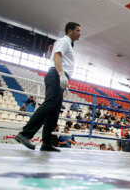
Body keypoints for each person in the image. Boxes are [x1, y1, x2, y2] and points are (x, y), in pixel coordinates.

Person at [14, 22, 81, 152]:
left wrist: (64, 80)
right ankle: (25, 134)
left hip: (60, 77)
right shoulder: (64, 41)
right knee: (49, 105)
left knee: (54, 111)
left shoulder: (68, 44)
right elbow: (56, 56)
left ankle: (46, 143)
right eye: (77, 30)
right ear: (70, 31)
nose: (80, 33)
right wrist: (61, 75)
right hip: (56, 75)